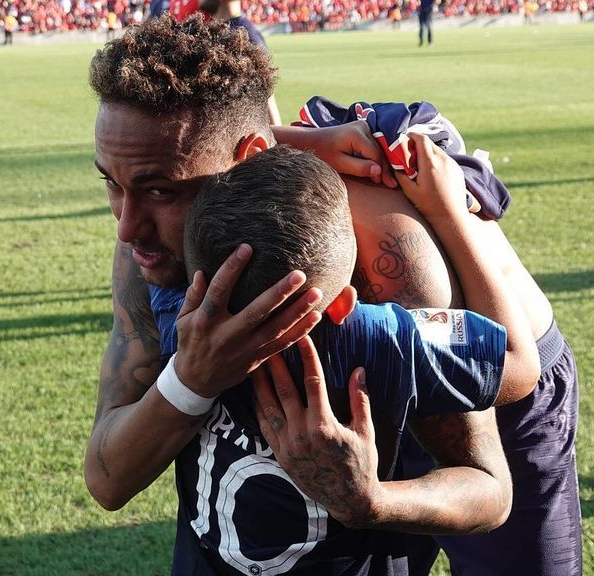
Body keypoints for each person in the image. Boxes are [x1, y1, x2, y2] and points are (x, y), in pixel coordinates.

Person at [85, 14, 582, 576]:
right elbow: (107, 477)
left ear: (247, 160)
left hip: (491, 375)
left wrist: (374, 500)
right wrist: (190, 382)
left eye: (160, 190)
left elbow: (493, 454)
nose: (127, 229)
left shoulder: (381, 259)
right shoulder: (151, 246)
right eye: (110, 181)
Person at [175, 144, 542, 573]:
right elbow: (520, 365)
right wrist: (451, 216)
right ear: (346, 301)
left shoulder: (176, 320)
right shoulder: (377, 338)